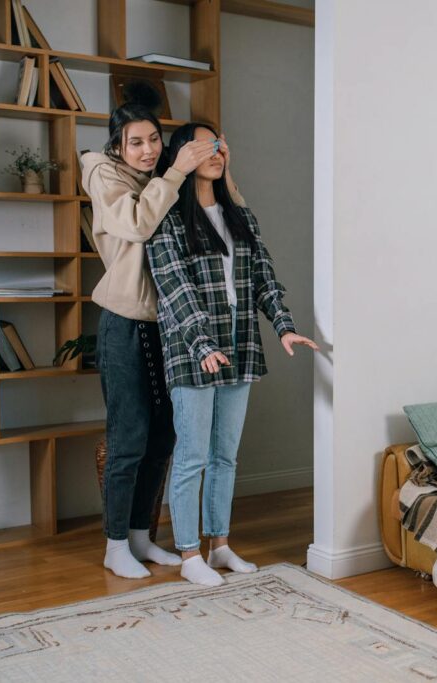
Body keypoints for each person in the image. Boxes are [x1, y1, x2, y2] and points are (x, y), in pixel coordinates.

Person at [146, 122, 317, 587]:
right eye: (204, 145)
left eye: (220, 144)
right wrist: (202, 344)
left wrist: (284, 327)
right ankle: (188, 553)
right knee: (192, 458)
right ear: (182, 156)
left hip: (240, 349)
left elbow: (263, 277)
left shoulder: (240, 217)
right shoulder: (167, 219)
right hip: (192, 352)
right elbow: (174, 289)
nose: (216, 152)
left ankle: (219, 546)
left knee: (225, 457)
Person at [82, 104, 219, 579]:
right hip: (124, 322)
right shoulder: (105, 175)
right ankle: (115, 545)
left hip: (166, 325)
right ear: (117, 145)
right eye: (136, 142)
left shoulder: (160, 178)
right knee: (128, 438)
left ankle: (141, 536)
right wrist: (176, 171)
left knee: (163, 434)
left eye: (154, 139)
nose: (147, 150)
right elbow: (138, 224)